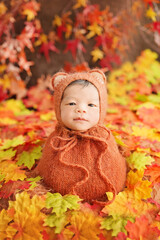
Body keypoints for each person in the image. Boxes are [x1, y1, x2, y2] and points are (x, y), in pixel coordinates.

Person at [34, 69, 126, 205]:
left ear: (101, 108)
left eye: (91, 105)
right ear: (59, 108)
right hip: (62, 204)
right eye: (72, 103)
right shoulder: (56, 140)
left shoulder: (104, 139)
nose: (81, 109)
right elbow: (47, 169)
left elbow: (115, 167)